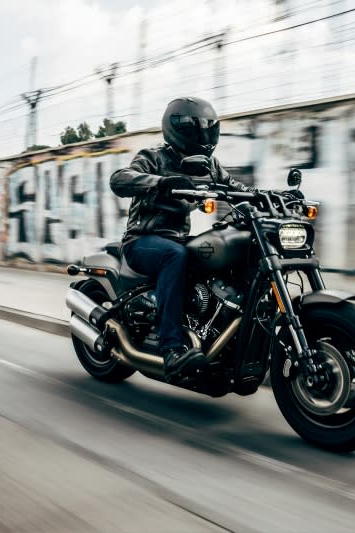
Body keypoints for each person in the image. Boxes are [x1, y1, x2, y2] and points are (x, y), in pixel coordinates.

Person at [110, 96, 254, 383]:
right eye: (196, 129)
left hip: (176, 238)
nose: (203, 135)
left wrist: (267, 196)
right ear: (179, 129)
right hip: (142, 239)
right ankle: (172, 349)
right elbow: (120, 179)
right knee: (175, 256)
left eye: (207, 129)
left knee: (226, 251)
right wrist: (160, 182)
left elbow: (234, 187)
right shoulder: (153, 157)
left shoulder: (208, 166)